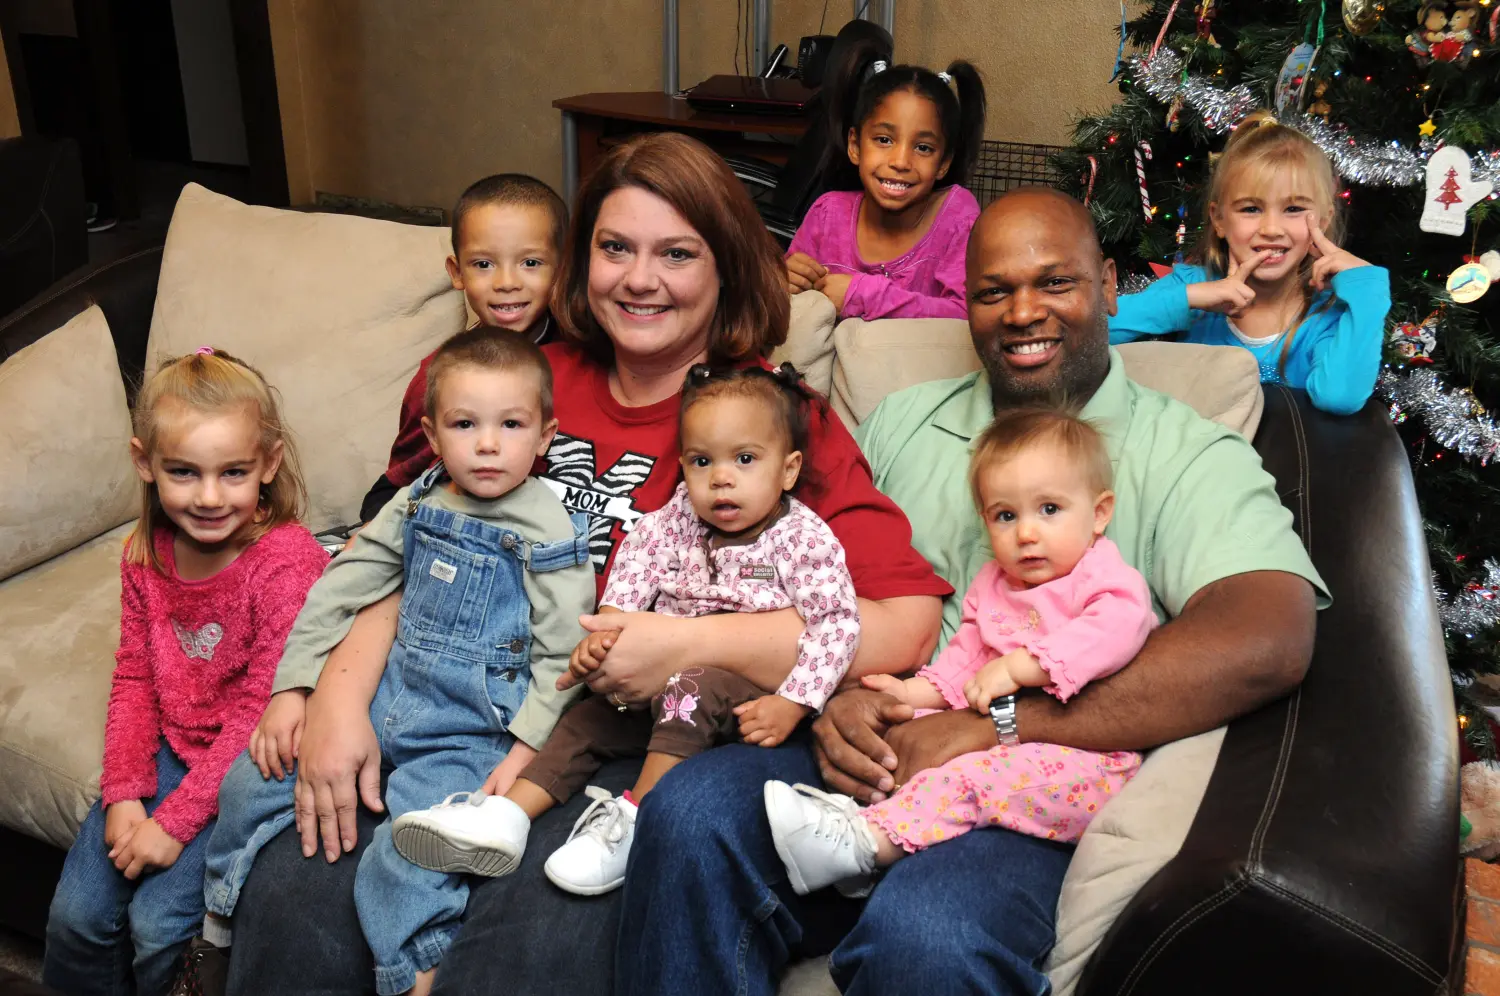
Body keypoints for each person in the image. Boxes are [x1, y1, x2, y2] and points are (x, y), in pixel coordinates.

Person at [218, 131, 947, 996]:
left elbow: (906, 620)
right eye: (614, 248)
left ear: (727, 270)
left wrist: (683, 645)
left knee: (521, 960)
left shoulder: (767, 418)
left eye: (676, 253)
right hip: (447, 713)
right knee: (297, 901)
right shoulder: (516, 376)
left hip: (623, 744)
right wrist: (338, 697)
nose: (639, 279)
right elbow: (407, 548)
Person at [613, 186, 1327, 996]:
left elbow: (1269, 637)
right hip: (851, 748)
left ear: (1111, 286)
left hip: (1027, 789)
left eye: (1056, 283)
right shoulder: (900, 422)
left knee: (930, 932)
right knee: (688, 820)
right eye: (993, 291)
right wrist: (833, 693)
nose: (1023, 312)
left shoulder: (1188, 450)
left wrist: (997, 726)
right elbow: (797, 567)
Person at [186, 330, 594, 996]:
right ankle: (215, 931)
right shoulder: (418, 501)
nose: (488, 444)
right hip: (385, 702)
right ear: (433, 437)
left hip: (467, 732)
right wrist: (295, 689)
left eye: (511, 425)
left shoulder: (549, 533)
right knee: (248, 785)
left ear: (545, 437)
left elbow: (563, 656)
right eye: (466, 424)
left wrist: (526, 751)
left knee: (403, 858)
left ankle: (419, 973)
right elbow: (341, 587)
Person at [392, 363, 860, 897]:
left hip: (743, 702)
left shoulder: (802, 538)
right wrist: (605, 639)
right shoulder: (673, 521)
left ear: (789, 469)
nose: (721, 478)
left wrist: (797, 702)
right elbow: (632, 578)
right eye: (702, 462)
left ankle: (635, 820)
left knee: (691, 685)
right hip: (656, 697)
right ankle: (506, 818)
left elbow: (837, 622)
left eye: (745, 460)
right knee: (587, 718)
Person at [765, 407, 1153, 894]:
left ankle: (867, 846)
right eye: (1006, 516)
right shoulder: (995, 583)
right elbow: (965, 661)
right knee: (917, 742)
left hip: (1086, 763)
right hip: (1013, 746)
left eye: (1049, 510)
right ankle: (865, 826)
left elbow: (1118, 629)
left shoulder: (1105, 578)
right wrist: (909, 694)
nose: (1026, 534)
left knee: (972, 776)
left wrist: (1023, 666)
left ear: (1099, 513)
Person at [43, 349, 326, 996]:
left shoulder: (287, 563)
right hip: (172, 748)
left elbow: (263, 707)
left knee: (159, 926)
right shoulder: (144, 554)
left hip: (250, 763)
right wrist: (124, 794)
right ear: (145, 462)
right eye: (182, 472)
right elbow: (136, 677)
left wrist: (172, 826)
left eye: (233, 473)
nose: (207, 497)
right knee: (76, 917)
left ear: (269, 464)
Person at [1108, 112, 1390, 416]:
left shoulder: (1325, 315)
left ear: (1322, 220)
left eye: (1293, 208)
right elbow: (1097, 331)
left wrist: (1367, 290)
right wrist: (1190, 299)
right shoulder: (1192, 286)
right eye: (1251, 208)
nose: (1271, 228)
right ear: (1219, 219)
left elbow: (1339, 397)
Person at [361, 173, 569, 522]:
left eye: (530, 263)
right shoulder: (441, 373)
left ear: (562, 270)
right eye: (483, 264)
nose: (506, 283)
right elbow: (402, 483)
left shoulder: (582, 358)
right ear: (457, 273)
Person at [783, 32, 985, 322]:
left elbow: (965, 316)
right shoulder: (827, 215)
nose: (901, 162)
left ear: (943, 163)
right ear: (855, 146)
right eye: (884, 140)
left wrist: (861, 294)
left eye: (923, 148)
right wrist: (785, 279)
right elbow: (784, 302)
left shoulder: (957, 220)